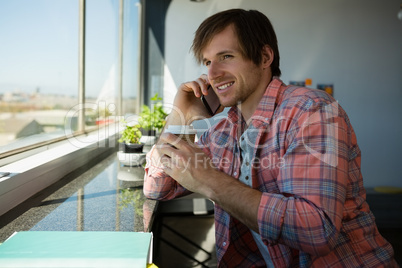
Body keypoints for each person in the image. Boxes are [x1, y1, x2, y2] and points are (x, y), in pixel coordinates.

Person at [143, 9, 397, 267]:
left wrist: (208, 180)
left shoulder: (310, 110)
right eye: (208, 62)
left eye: (226, 57)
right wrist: (179, 119)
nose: (212, 74)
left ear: (264, 57)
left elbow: (317, 231)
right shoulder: (222, 131)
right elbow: (158, 188)